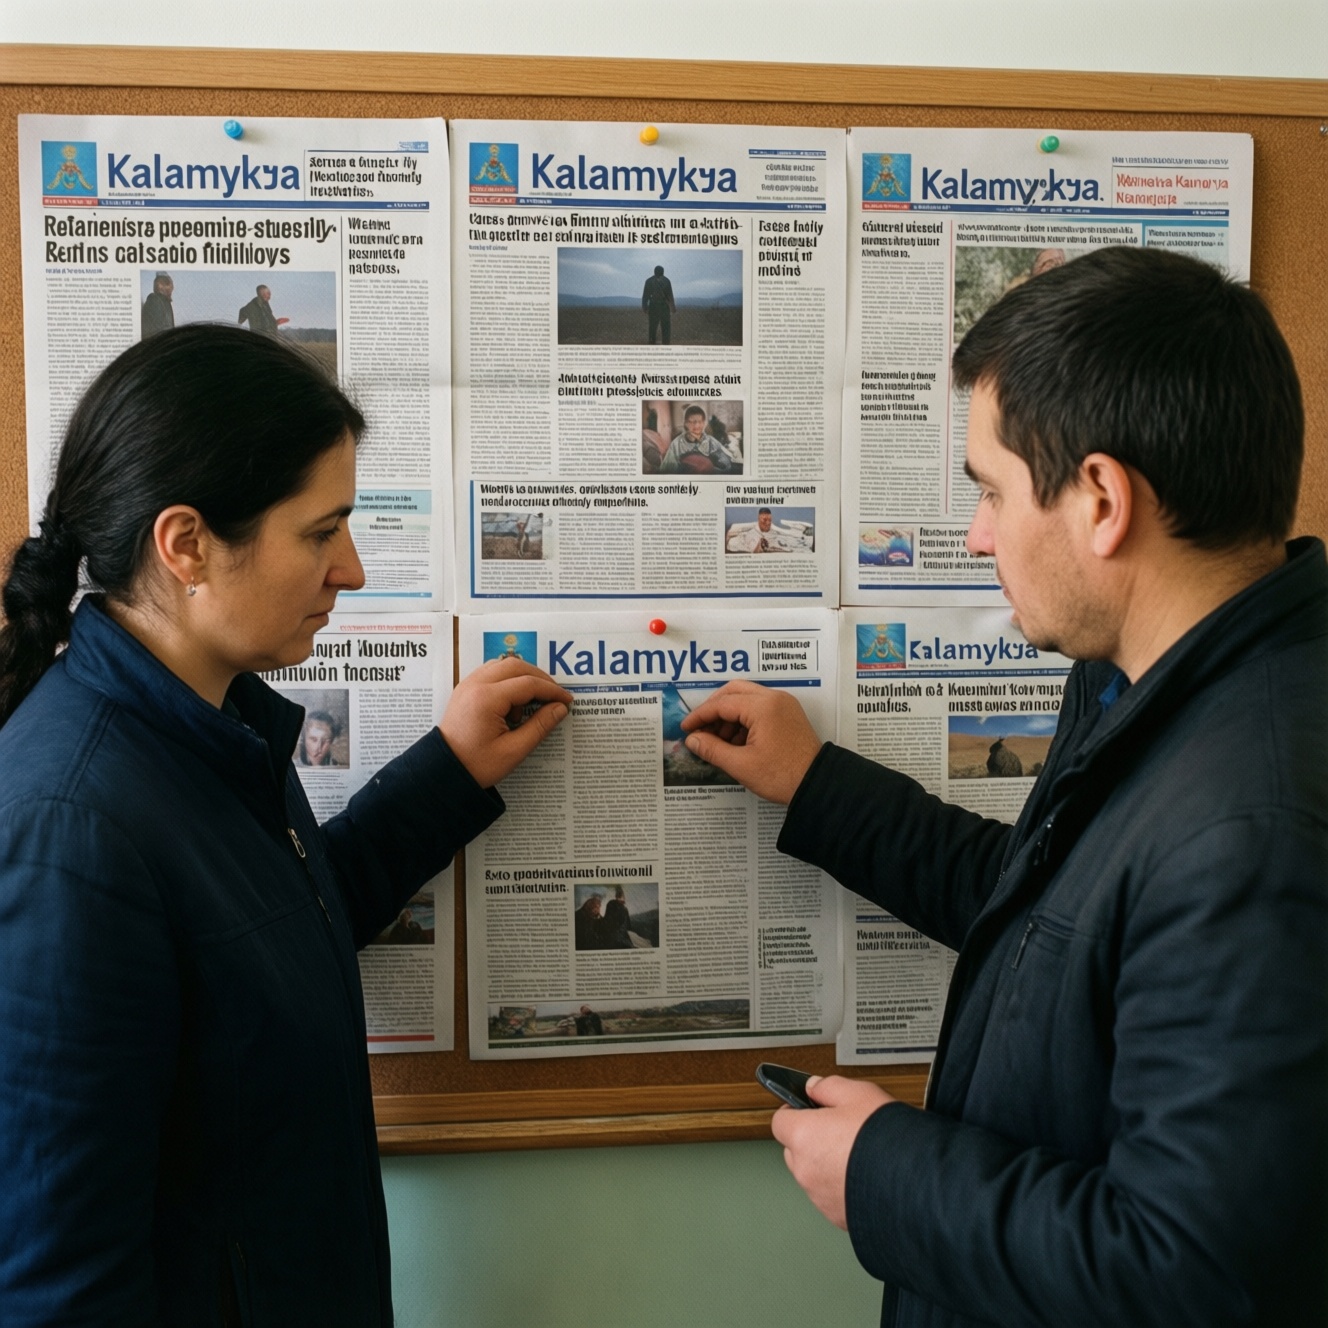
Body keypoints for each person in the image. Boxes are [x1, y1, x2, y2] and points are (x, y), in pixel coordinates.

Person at [681, 248, 1326, 1326]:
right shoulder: (1149, 684)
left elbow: (1189, 1275)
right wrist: (817, 786)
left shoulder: (1253, 828)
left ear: (1101, 500)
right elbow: (1057, 915)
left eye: (989, 489)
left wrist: (883, 1174)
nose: (979, 532)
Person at [0, 324, 573, 1325]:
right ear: (186, 544)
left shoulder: (207, 727)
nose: (351, 569)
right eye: (321, 531)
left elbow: (265, 933)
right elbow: (60, 1280)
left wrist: (447, 774)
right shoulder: (70, 829)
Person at [660, 405, 734, 474]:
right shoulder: (676, 444)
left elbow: (727, 465)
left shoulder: (711, 441)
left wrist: (711, 467)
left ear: (704, 423)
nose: (696, 425)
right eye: (692, 422)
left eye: (700, 422)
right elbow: (666, 471)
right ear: (685, 423)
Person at [641, 263, 676, 345]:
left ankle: (652, 344)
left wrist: (645, 307)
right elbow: (670, 295)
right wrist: (672, 307)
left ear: (654, 272)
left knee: (653, 327)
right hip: (664, 307)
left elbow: (645, 296)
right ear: (663, 272)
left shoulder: (649, 281)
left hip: (653, 306)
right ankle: (665, 344)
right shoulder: (666, 281)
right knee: (665, 327)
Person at [140, 271, 175, 339]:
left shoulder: (164, 302)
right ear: (159, 285)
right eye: (167, 284)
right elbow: (155, 334)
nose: (171, 289)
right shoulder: (155, 301)